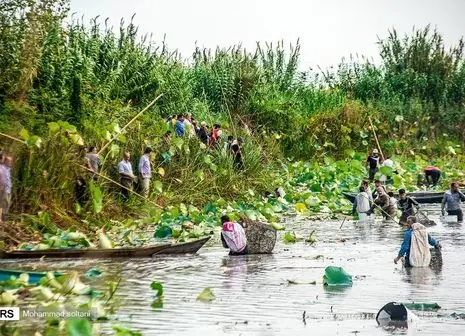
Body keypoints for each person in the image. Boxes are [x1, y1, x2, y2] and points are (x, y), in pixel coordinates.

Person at [0, 156, 12, 222]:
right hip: (3, 189)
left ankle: (3, 219)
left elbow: (8, 180)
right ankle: (2, 219)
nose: (10, 162)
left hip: (8, 189)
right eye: (8, 161)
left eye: (10, 161)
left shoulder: (8, 169)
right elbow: (3, 180)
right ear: (4, 161)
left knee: (6, 204)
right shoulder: (2, 168)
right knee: (3, 204)